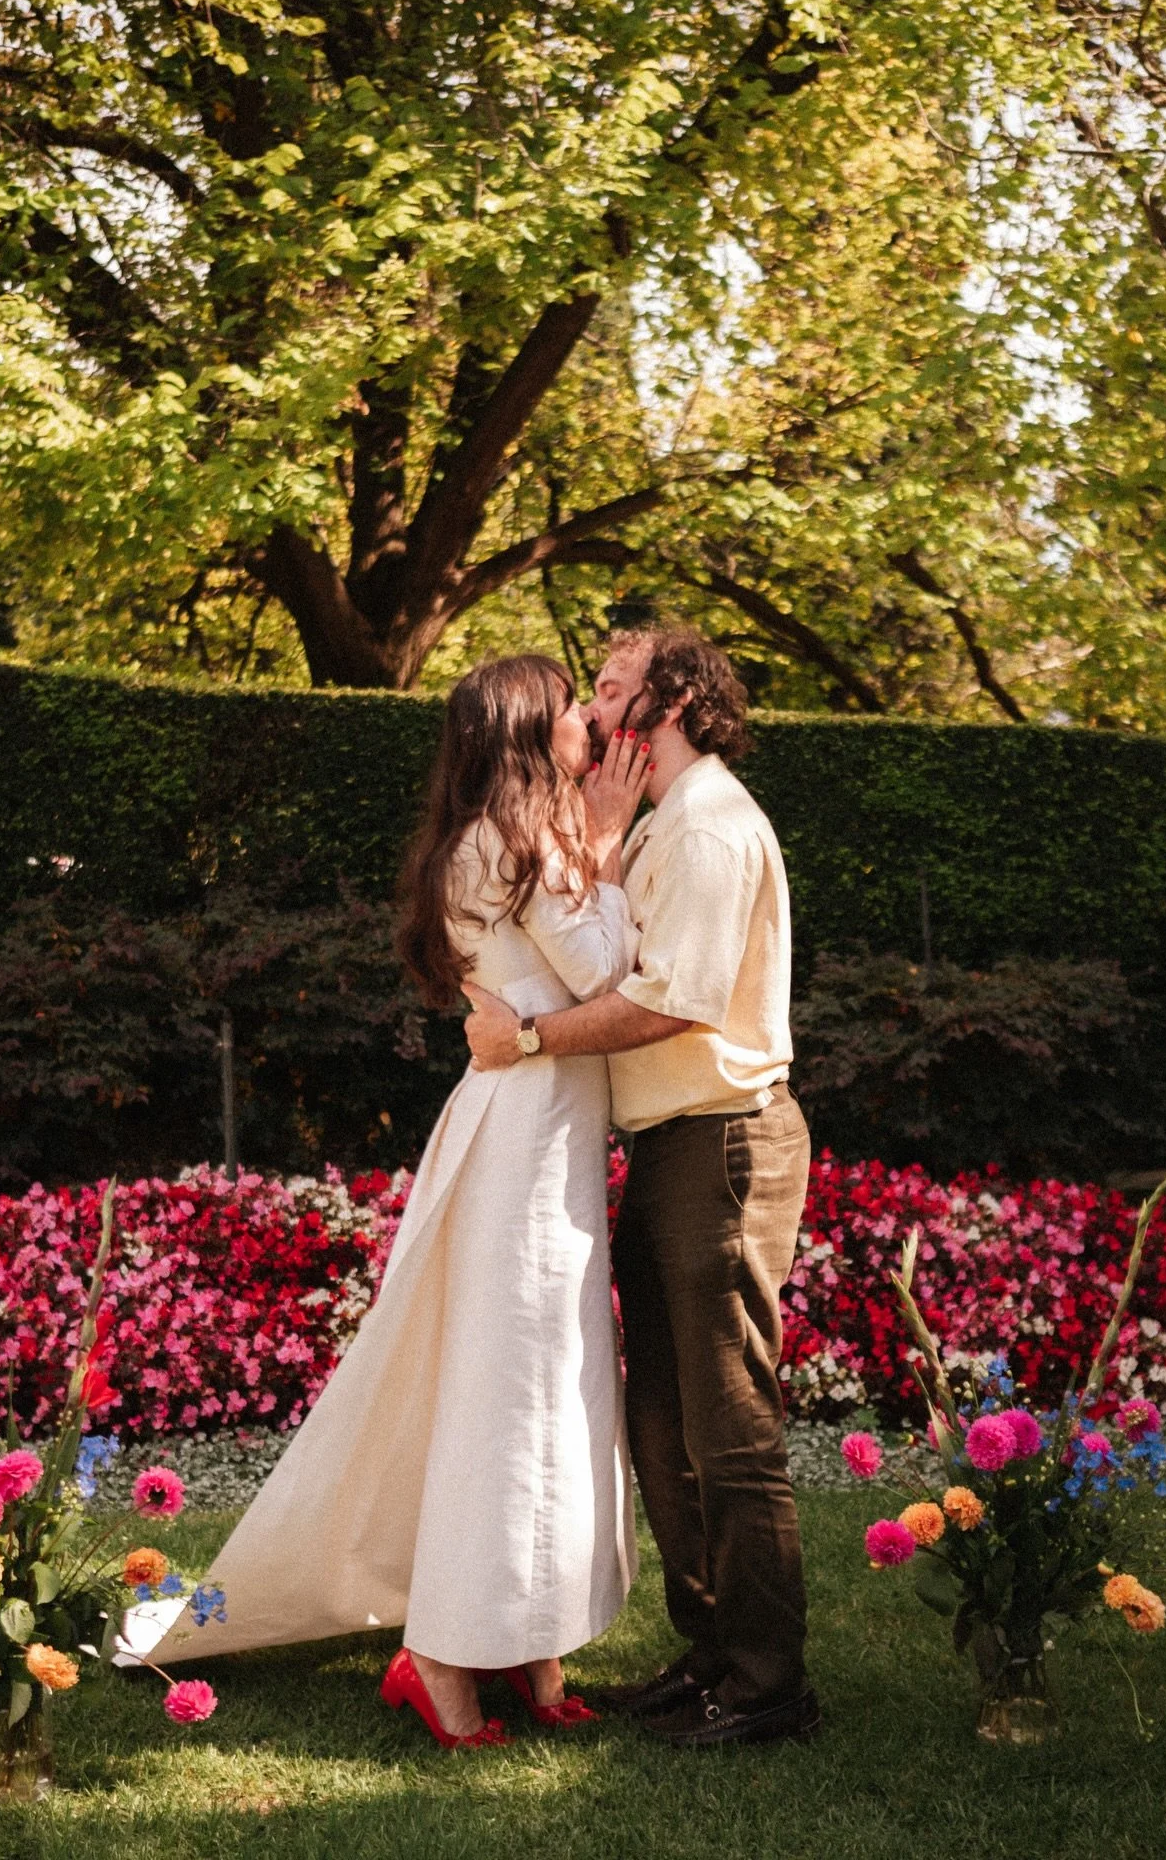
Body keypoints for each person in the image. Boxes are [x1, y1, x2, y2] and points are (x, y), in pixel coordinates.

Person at [144, 654, 651, 1749]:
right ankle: (439, 1663)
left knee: (551, 1393)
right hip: (520, 1146)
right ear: (526, 729)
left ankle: (530, 1647)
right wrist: (607, 845)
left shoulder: (514, 840)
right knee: (509, 1396)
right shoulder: (507, 845)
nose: (583, 719)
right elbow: (609, 971)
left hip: (538, 1131)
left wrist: (586, 846)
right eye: (568, 704)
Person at [462, 625, 818, 1750]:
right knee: (665, 1425)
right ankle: (710, 1657)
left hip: (723, 1146)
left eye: (610, 687)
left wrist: (525, 1035)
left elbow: (673, 1002)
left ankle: (768, 1687)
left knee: (731, 1429)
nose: (593, 702)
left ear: (665, 701)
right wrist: (606, 850)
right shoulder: (666, 825)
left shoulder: (712, 830)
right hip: (668, 1149)